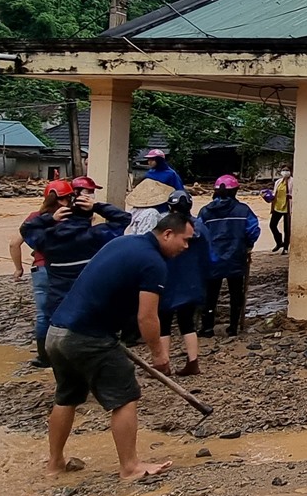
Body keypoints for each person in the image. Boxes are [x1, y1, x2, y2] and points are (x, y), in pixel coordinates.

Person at [44, 209, 195, 480]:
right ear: (167, 233)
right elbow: (147, 317)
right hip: (87, 336)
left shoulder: (123, 242)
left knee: (66, 396)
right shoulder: (153, 262)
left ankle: (55, 464)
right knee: (125, 396)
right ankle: (130, 467)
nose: (186, 246)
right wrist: (159, 355)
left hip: (57, 332)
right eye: (185, 240)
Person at [23, 179, 130, 323]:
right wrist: (97, 206)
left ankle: (43, 346)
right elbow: (124, 219)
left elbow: (26, 229)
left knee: (46, 323)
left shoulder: (47, 240)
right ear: (90, 217)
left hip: (58, 305)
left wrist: (50, 219)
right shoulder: (97, 236)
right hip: (87, 306)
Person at [156, 191, 214, 375]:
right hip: (192, 281)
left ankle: (163, 365)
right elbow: (210, 255)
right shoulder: (200, 228)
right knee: (187, 323)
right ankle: (193, 362)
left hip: (168, 279)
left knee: (164, 323)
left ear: (170, 208)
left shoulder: (165, 229)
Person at [13, 180, 69, 367]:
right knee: (66, 309)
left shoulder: (34, 218)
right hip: (65, 268)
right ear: (65, 199)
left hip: (40, 269)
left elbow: (14, 243)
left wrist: (18, 268)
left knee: (43, 314)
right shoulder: (71, 216)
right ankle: (65, 353)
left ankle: (44, 357)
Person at [198, 175, 261, 337]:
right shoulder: (243, 210)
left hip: (212, 259)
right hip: (236, 257)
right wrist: (248, 245)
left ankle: (207, 328)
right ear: (236, 191)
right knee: (236, 293)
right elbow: (253, 230)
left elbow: (198, 233)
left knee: (211, 294)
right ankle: (233, 326)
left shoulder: (205, 212)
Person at [264, 166, 292, 253]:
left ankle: (286, 247)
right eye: (283, 170)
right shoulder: (278, 182)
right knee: (272, 225)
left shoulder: (293, 182)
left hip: (287, 207)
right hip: (277, 206)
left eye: (287, 170)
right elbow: (274, 193)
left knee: (287, 229)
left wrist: (290, 196)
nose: (285, 172)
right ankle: (279, 242)